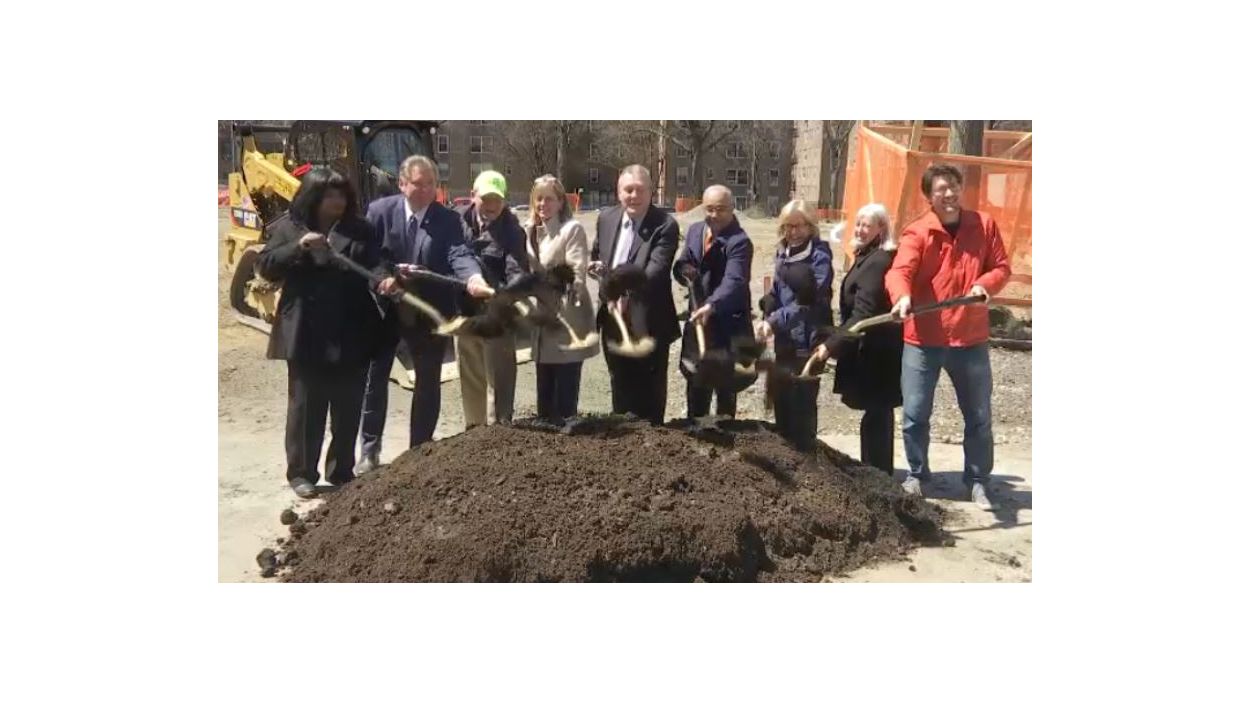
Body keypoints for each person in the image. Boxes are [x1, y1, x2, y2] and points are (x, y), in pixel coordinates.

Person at [885, 163, 1012, 509]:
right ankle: (917, 475)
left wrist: (985, 285)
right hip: (923, 338)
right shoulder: (918, 232)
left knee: (979, 415)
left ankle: (977, 481)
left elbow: (1001, 266)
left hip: (970, 338)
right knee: (914, 414)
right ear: (929, 196)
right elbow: (900, 271)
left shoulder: (983, 225)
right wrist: (902, 297)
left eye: (954, 186)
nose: (949, 193)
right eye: (941, 189)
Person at [356, 155, 492, 473]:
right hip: (385, 310)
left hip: (429, 311)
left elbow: (459, 253)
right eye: (419, 184)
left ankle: (418, 451)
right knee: (375, 379)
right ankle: (369, 451)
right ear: (402, 184)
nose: (427, 190)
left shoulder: (447, 219)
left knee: (428, 381)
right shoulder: (379, 212)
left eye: (431, 184)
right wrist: (382, 278)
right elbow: (368, 255)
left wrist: (473, 278)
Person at [256, 168, 384, 499]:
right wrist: (298, 247)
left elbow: (376, 264)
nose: (337, 201)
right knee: (306, 407)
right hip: (305, 331)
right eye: (330, 195)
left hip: (352, 329)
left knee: (348, 405)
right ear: (313, 196)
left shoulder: (360, 230)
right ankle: (302, 473)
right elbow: (265, 265)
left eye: (342, 195)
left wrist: (386, 279)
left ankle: (341, 470)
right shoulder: (289, 227)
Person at [589, 165, 680, 425]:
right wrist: (596, 270)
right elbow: (598, 255)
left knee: (649, 396)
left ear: (651, 192)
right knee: (620, 388)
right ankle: (622, 440)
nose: (634, 196)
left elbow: (655, 272)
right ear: (619, 192)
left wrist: (625, 294)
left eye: (640, 190)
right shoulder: (606, 219)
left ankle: (652, 442)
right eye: (628, 190)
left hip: (648, 322)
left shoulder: (665, 225)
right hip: (613, 320)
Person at [818, 203, 903, 475]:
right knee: (875, 415)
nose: (860, 230)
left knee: (878, 414)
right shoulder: (866, 256)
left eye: (867, 225)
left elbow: (864, 312)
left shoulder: (878, 261)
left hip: (877, 352)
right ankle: (875, 470)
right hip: (869, 347)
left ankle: (878, 474)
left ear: (881, 229)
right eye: (858, 224)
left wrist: (832, 345)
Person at [754, 199, 834, 451]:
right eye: (788, 226)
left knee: (803, 405)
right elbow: (778, 290)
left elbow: (807, 302)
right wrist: (767, 307)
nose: (793, 232)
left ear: (811, 227)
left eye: (799, 226)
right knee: (782, 402)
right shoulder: (783, 252)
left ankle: (807, 458)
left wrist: (774, 321)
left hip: (808, 339)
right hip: (784, 340)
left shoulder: (819, 258)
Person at [454, 170, 530, 429]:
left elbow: (517, 271)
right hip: (465, 313)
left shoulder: (512, 231)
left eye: (497, 200)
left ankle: (498, 433)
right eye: (486, 199)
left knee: (499, 382)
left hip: (496, 317)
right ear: (473, 195)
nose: (491, 206)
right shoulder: (457, 221)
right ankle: (473, 430)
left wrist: (506, 294)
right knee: (470, 378)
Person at [673, 184, 753, 419]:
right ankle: (696, 431)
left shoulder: (739, 241)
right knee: (696, 384)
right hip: (698, 322)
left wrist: (712, 304)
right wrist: (684, 270)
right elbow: (684, 261)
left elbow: (734, 281)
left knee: (726, 390)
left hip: (727, 325)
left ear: (732, 208)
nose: (714, 215)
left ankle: (725, 435)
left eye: (721, 209)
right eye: (709, 209)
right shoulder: (696, 231)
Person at [524, 175, 599, 423]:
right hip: (543, 320)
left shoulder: (571, 230)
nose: (542, 204)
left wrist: (560, 285)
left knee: (564, 394)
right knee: (544, 390)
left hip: (567, 318)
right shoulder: (529, 231)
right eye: (538, 199)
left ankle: (566, 429)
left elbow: (577, 272)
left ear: (560, 202)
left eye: (549, 199)